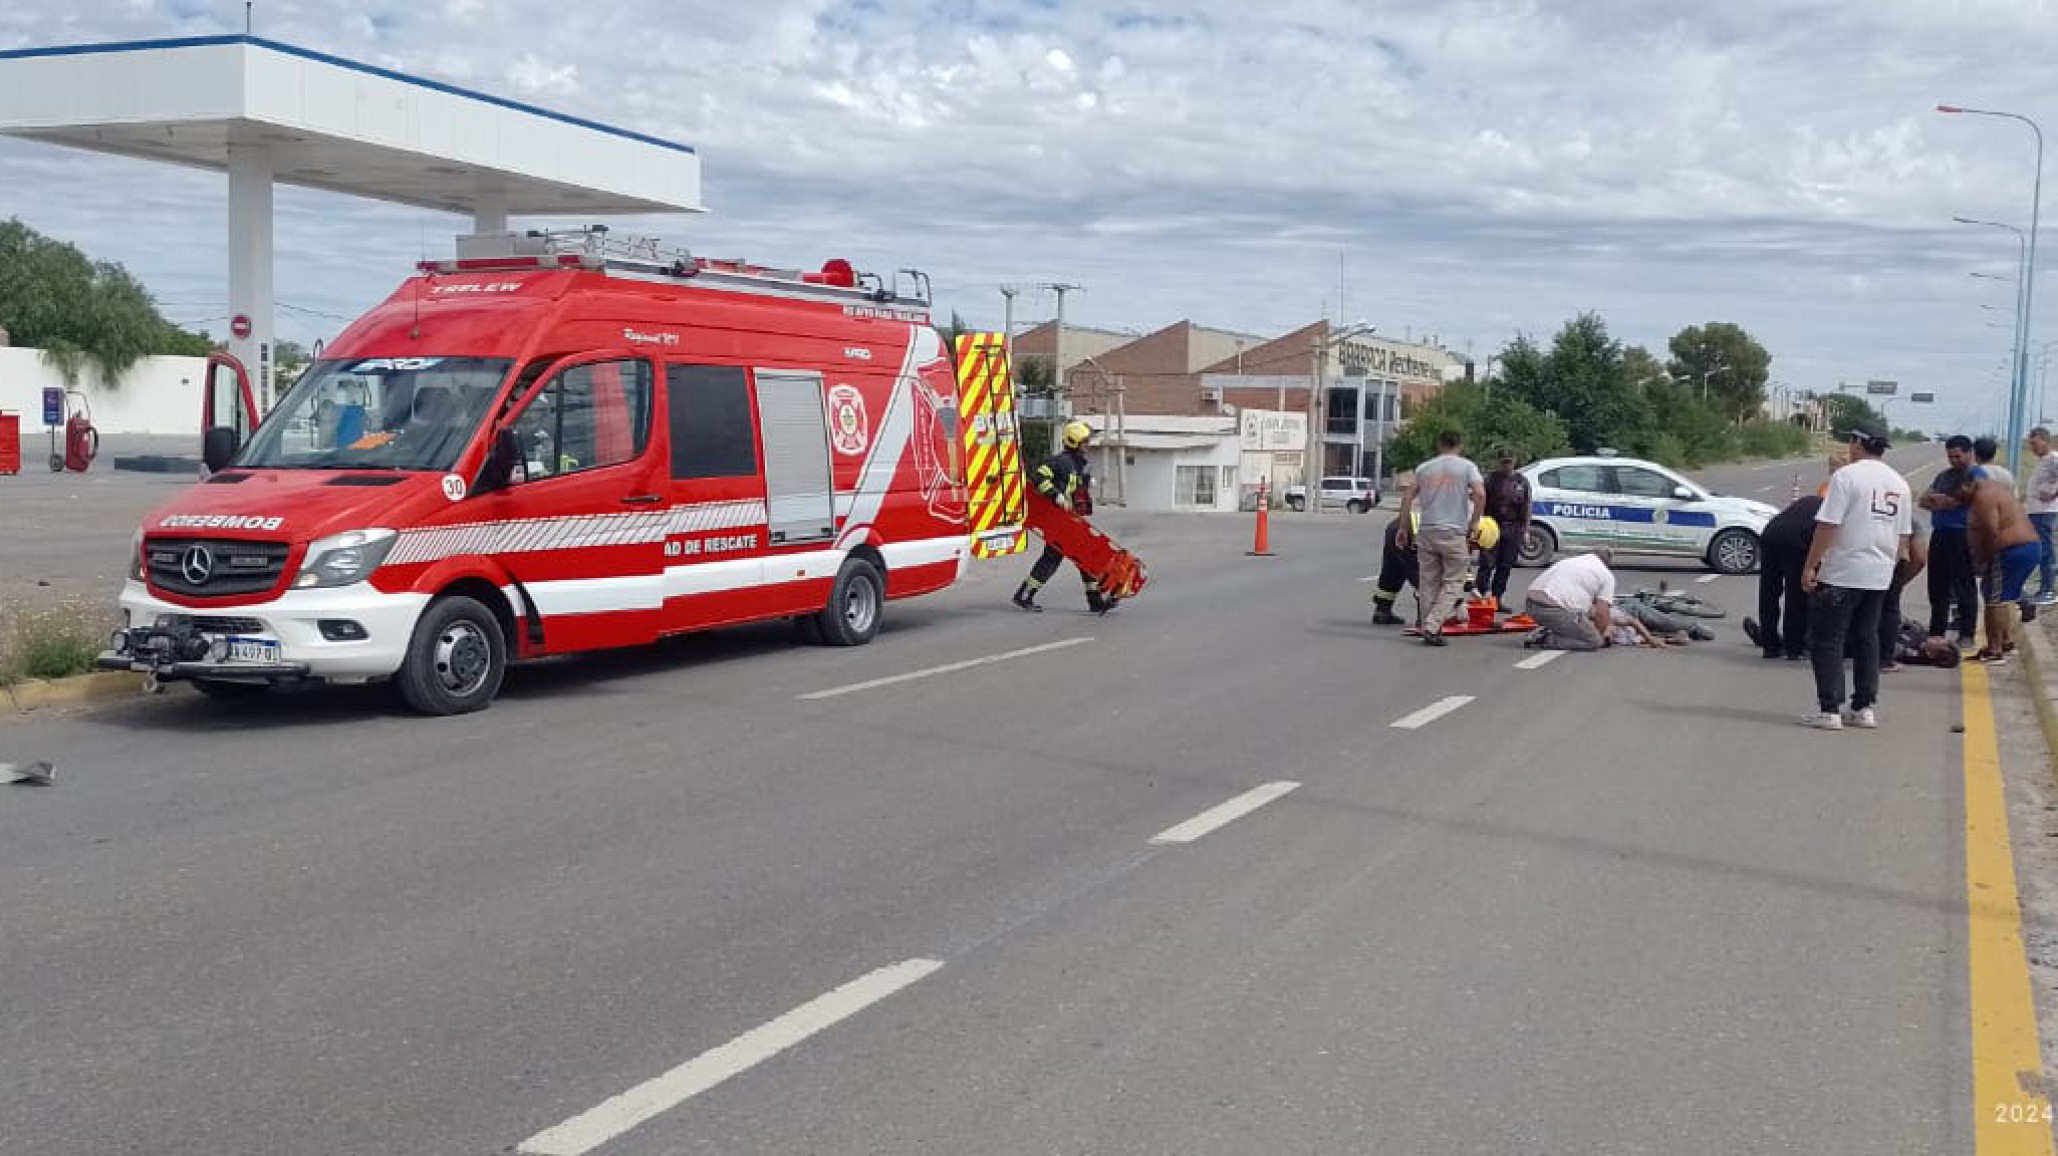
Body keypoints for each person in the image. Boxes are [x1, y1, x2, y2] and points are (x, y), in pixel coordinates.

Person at [1799, 422, 1912, 731]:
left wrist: (1811, 565)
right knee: (1867, 637)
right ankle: (1863, 706)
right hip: (1879, 573)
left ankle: (1830, 708)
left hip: (1844, 570)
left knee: (1827, 639)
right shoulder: (1900, 484)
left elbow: (1828, 525)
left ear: (1856, 443)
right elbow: (1904, 536)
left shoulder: (1846, 477)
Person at [1744, 450, 1846, 660]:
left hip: (1771, 533)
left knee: (1769, 592)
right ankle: (1794, 647)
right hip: (1796, 540)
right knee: (1797, 594)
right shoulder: (1836, 508)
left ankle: (1770, 645)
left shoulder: (1813, 499)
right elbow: (1827, 538)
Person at [1393, 429, 1486, 647]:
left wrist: (1403, 527)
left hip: (1427, 530)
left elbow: (1407, 496)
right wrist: (1474, 522)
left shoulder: (1425, 468)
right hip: (1453, 531)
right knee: (1454, 581)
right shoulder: (1467, 467)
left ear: (1439, 444)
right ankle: (1433, 626)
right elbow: (1480, 494)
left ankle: (1428, 624)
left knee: (1428, 582)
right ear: (1459, 444)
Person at [1013, 420, 1113, 614]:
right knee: (1054, 559)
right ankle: (1025, 595)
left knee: (1084, 558)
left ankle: (1094, 601)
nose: (1087, 445)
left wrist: (1086, 482)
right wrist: (1055, 495)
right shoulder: (1060, 462)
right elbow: (1038, 477)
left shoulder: (1078, 462)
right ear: (1073, 442)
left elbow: (1077, 483)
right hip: (1059, 520)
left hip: (1071, 519)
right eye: (1084, 441)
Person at [1964, 466, 2041, 665]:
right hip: (2028, 547)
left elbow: (1991, 530)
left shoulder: (1983, 495)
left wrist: (1984, 556)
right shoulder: (1997, 490)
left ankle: (1994, 650)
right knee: (2001, 595)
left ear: (1968, 484)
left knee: (1994, 599)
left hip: (2010, 550)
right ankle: (2005, 641)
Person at [1920, 435, 1980, 645]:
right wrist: (1942, 501)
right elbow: (1923, 500)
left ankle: (1967, 633)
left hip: (1962, 534)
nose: (1954, 460)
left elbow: (1958, 500)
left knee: (1964, 585)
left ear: (1969, 453)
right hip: (1940, 533)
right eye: (1950, 456)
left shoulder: (1975, 474)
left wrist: (1941, 500)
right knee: (1937, 585)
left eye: (1957, 456)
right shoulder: (1943, 476)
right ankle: (1936, 631)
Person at [1520, 547, 1617, 651]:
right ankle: (1544, 639)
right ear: (1607, 563)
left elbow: (1591, 610)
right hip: (1552, 609)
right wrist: (1601, 632)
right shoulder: (1606, 575)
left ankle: (1553, 629)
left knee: (1580, 618)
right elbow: (1602, 612)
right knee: (1594, 641)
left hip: (1531, 603)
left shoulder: (1571, 561)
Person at [1476, 449, 1531, 610]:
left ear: (1515, 461)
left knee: (1505, 565)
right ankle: (1481, 597)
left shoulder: (1521, 481)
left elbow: (1527, 506)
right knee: (1487, 564)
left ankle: (1497, 598)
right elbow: (1480, 502)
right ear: (1498, 462)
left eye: (1510, 462)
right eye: (1504, 462)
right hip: (1491, 525)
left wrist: (1526, 530)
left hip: (1513, 527)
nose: (1507, 465)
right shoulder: (1489, 480)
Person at [2026, 426, 2058, 604]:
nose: (2033, 448)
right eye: (2031, 445)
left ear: (2046, 441)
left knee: (2045, 551)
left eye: (2035, 444)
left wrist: (2053, 494)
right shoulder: (2043, 460)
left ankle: (2048, 590)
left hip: (2046, 511)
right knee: (2041, 550)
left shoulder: (2054, 459)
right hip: (2036, 510)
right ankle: (2043, 587)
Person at [1371, 512, 1420, 627]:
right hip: (1412, 532)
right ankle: (1426, 619)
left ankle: (1382, 611)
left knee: (1392, 571)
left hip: (1396, 527)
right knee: (1422, 576)